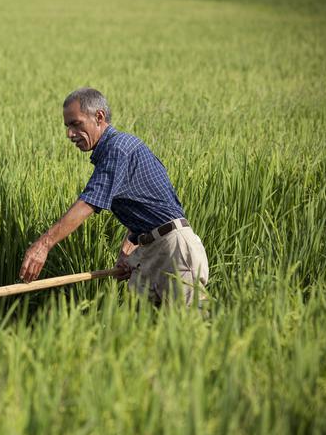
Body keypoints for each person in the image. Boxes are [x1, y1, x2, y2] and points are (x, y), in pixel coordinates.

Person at [19, 87, 209, 307]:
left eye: (75, 124)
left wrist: (43, 245)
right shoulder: (115, 150)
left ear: (99, 117)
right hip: (151, 249)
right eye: (67, 126)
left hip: (174, 251)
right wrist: (127, 252)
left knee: (189, 332)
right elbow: (144, 205)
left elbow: (89, 201)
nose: (69, 134)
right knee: (133, 333)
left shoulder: (118, 149)